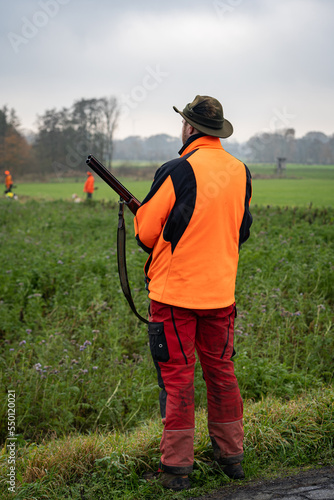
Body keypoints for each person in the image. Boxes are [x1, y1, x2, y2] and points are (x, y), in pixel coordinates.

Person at [134, 95, 252, 491]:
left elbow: (146, 232)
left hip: (174, 299)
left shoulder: (177, 170)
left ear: (189, 128)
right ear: (218, 131)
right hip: (221, 296)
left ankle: (176, 470)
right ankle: (231, 457)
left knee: (178, 379)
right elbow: (242, 231)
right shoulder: (240, 171)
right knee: (221, 373)